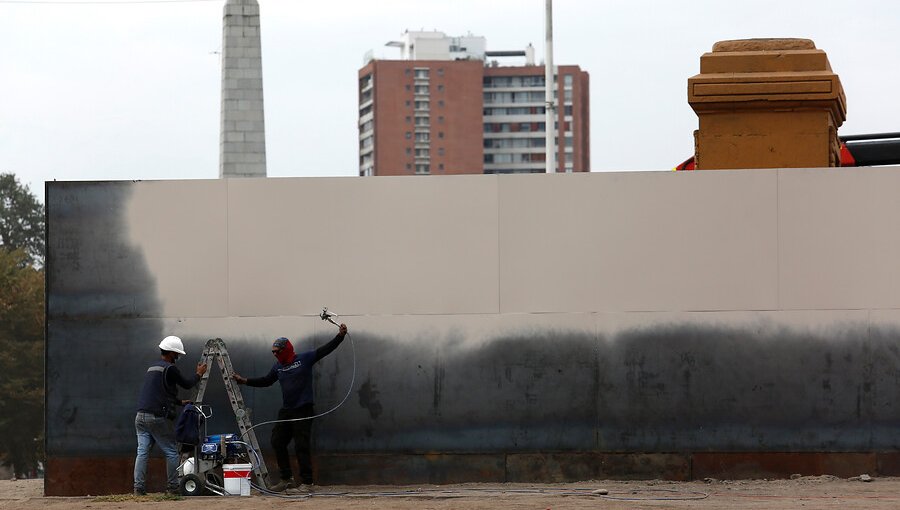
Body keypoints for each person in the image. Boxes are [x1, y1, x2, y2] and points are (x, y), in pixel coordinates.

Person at [233, 323, 348, 492]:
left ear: (286, 349)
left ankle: (307, 483)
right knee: (277, 441)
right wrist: (245, 381)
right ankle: (286, 479)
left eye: (277, 352)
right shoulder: (278, 367)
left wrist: (340, 336)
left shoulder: (303, 359)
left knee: (301, 445)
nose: (275, 355)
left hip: (303, 409)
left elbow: (325, 350)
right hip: (287, 410)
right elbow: (267, 380)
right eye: (273, 352)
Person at [134, 335, 207, 495]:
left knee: (142, 452)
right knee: (171, 451)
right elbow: (187, 383)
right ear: (172, 353)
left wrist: (179, 402)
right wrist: (199, 374)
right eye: (177, 354)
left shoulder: (153, 367)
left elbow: (158, 392)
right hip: (156, 416)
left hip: (140, 416)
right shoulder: (170, 368)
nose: (178, 356)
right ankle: (173, 488)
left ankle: (138, 489)